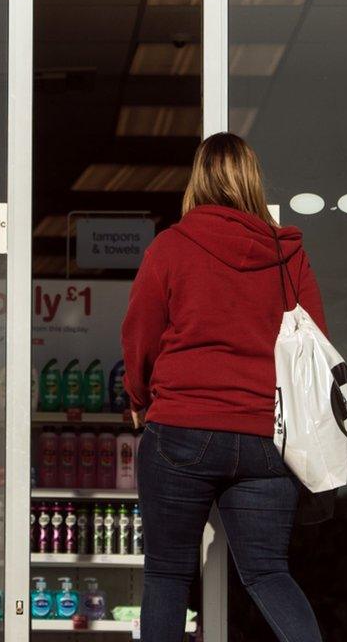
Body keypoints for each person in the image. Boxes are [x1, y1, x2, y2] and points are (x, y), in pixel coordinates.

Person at [121, 133, 328, 642]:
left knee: (168, 576)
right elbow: (317, 342)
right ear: (252, 181)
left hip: (181, 430)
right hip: (265, 436)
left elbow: (140, 334)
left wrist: (138, 398)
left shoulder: (172, 247)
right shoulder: (287, 256)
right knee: (267, 573)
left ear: (197, 181)